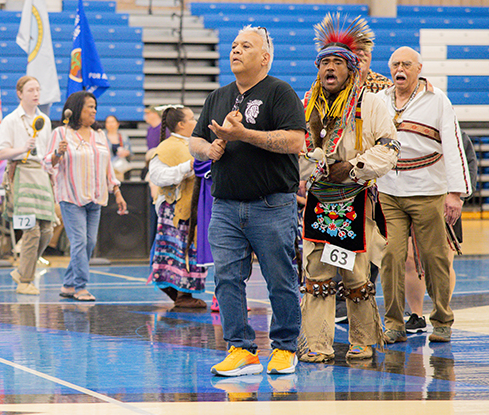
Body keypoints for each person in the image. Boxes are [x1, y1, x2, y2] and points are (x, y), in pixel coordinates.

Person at [190, 26, 306, 376]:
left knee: (280, 278)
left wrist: (243, 135)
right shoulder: (218, 96)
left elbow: (294, 141)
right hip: (225, 205)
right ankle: (241, 349)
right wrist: (208, 149)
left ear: (265, 57)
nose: (235, 50)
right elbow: (194, 141)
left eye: (246, 46)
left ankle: (285, 348)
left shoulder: (279, 92)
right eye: (234, 45)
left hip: (271, 204)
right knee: (226, 278)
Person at [297, 14, 399, 362]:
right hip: (319, 200)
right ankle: (318, 344)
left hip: (356, 200)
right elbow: (297, 151)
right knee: (317, 274)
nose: (330, 67)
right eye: (324, 61)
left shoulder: (370, 104)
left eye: (337, 62)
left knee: (355, 272)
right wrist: (318, 164)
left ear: (351, 69)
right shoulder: (309, 103)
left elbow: (389, 149)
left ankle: (363, 339)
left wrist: (353, 168)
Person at [376, 46, 473, 344]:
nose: (399, 69)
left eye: (406, 64)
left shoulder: (437, 99)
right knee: (391, 255)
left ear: (419, 68)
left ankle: (442, 320)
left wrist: (455, 194)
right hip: (389, 190)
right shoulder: (379, 100)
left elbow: (455, 147)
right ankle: (394, 322)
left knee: (434, 257)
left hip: (429, 189)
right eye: (395, 64)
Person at [45, 91, 128, 302]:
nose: (93, 110)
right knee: (80, 242)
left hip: (96, 196)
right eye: (89, 106)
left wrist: (116, 191)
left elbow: (107, 166)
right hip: (71, 197)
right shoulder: (61, 133)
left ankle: (68, 284)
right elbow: (47, 163)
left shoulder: (99, 135)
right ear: (76, 109)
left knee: (89, 243)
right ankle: (81, 286)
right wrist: (57, 153)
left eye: (94, 106)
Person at [403, 130, 478, 332]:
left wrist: (458, 195)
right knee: (410, 258)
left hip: (445, 200)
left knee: (443, 259)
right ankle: (416, 314)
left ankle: (442, 310)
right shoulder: (405, 125)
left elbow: (468, 165)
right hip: (411, 197)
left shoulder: (456, 132)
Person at [0, 76, 56, 296]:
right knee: (30, 229)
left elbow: (47, 154)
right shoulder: (11, 120)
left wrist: (54, 161)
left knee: (47, 230)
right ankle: (25, 280)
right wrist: (22, 148)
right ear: (20, 93)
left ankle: (22, 270)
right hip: (20, 173)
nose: (36, 93)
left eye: (38, 89)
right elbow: (1, 152)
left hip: (41, 174)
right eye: (31, 90)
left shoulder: (45, 120)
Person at [147, 105, 207, 308]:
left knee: (189, 250)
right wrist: (187, 167)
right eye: (191, 118)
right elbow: (157, 176)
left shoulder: (196, 144)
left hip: (194, 208)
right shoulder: (168, 147)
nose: (195, 121)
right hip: (175, 210)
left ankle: (184, 293)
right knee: (179, 250)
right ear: (181, 124)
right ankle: (181, 293)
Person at [104, 115, 132, 181]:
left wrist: (126, 153)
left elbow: (131, 153)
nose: (111, 124)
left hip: (121, 167)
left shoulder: (123, 136)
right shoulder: (102, 137)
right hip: (107, 167)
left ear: (117, 124)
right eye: (108, 122)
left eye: (112, 122)